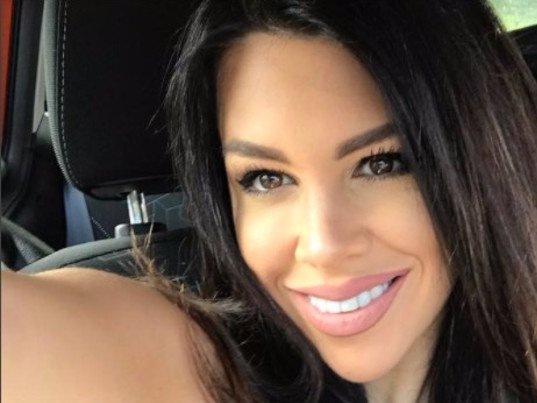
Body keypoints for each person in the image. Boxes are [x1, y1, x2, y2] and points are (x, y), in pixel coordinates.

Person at [3, 0, 537, 402]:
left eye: (383, 164)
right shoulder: (191, 368)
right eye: (266, 178)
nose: (323, 245)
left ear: (482, 156)